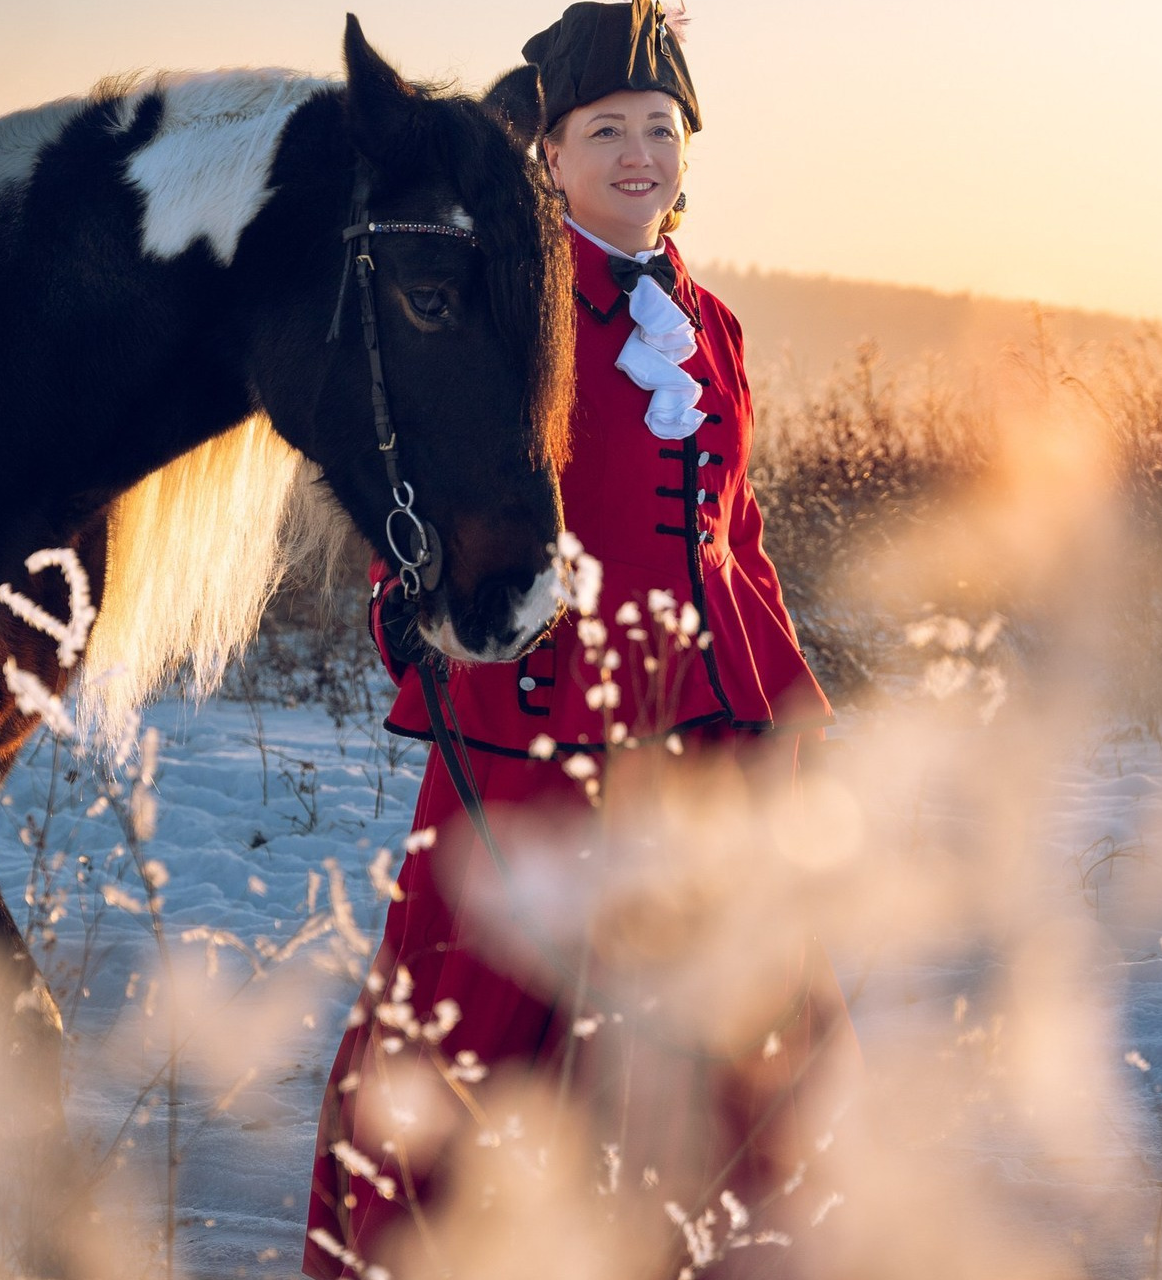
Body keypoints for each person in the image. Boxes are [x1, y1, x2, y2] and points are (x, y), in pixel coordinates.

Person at [304, 5, 858, 1277]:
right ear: (543, 154)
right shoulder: (507, 307)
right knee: (467, 1050)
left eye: (658, 128)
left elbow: (735, 536)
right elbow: (424, 492)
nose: (636, 152)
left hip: (705, 753)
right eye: (603, 128)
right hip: (534, 739)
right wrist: (423, 636)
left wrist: (777, 705)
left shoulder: (710, 328)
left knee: (742, 1051)